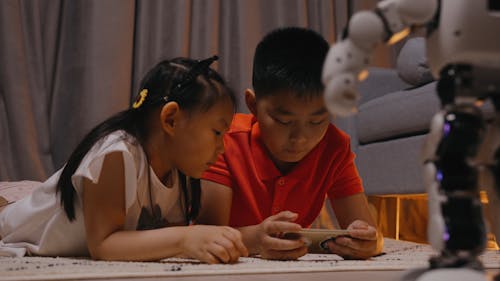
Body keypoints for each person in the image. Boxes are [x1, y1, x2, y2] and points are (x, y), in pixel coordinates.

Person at [0, 56, 248, 263]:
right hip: (11, 227)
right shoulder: (116, 154)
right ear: (171, 119)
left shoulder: (180, 171)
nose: (223, 148)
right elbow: (104, 244)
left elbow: (155, 240)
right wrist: (185, 238)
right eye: (217, 133)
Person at [198, 27, 384, 260]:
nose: (301, 138)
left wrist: (367, 242)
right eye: (283, 121)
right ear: (253, 105)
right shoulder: (225, 140)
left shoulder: (334, 147)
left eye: (317, 120)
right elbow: (206, 234)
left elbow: (370, 232)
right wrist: (256, 239)